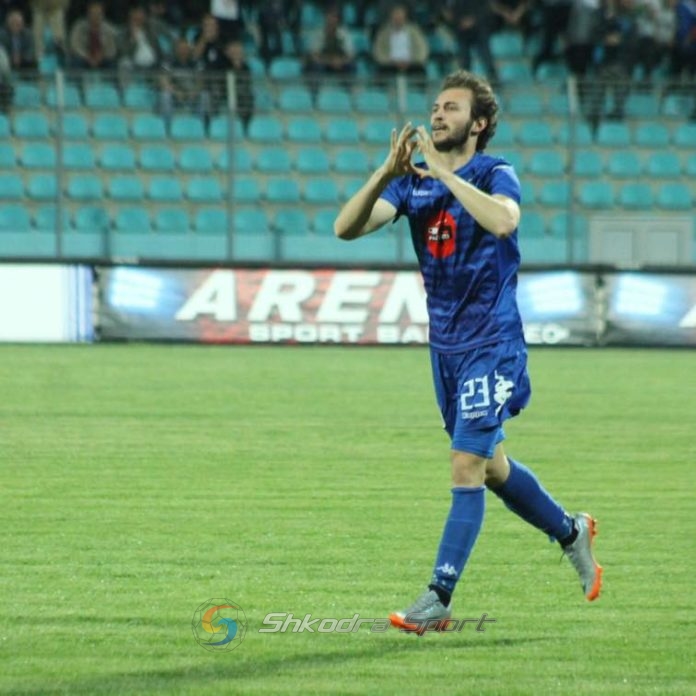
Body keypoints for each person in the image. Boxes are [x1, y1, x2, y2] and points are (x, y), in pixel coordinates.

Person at [333, 70, 603, 633]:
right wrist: (386, 173)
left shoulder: (495, 172)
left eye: (451, 108)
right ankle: (571, 531)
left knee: (465, 464)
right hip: (446, 350)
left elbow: (503, 221)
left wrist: (446, 173)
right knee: (493, 468)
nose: (437, 114)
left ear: (477, 124)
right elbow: (345, 228)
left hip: (492, 342)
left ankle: (439, 596)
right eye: (435, 106)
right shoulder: (412, 183)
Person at [68, 0, 118, 71]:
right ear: (88, 14)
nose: (95, 16)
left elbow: (112, 49)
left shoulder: (110, 29)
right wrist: (87, 57)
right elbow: (75, 46)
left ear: (103, 14)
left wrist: (101, 56)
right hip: (84, 58)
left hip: (103, 59)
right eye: (93, 13)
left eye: (98, 14)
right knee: (76, 62)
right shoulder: (78, 27)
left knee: (112, 63)